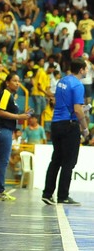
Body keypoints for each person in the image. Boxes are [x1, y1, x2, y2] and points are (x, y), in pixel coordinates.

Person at [41, 58, 88, 206]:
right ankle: (63, 196)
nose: (87, 71)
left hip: (56, 123)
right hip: (69, 126)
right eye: (86, 69)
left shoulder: (63, 81)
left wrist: (80, 109)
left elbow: (59, 101)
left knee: (56, 160)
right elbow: (77, 111)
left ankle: (47, 193)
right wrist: (85, 129)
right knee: (69, 162)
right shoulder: (78, 85)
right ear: (81, 70)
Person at [0, 72, 31, 201]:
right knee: (3, 161)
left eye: (18, 81)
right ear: (7, 82)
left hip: (5, 130)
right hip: (3, 130)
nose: (17, 83)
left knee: (1, 161)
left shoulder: (11, 96)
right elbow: (0, 112)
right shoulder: (6, 94)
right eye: (14, 80)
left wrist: (22, 116)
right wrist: (19, 117)